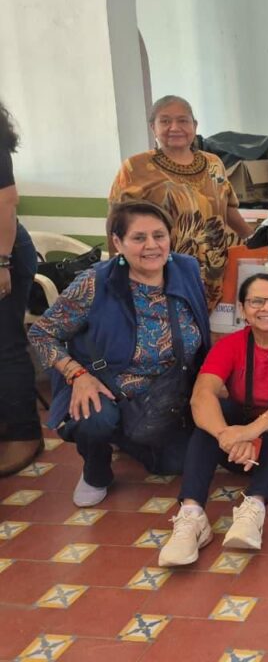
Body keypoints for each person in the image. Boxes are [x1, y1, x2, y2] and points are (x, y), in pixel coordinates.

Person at [28, 201, 210, 506]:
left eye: (159, 236)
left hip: (169, 392)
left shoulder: (187, 269)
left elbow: (201, 327)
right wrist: (78, 374)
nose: (151, 246)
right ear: (117, 242)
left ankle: (129, 436)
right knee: (94, 419)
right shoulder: (95, 282)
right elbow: (42, 333)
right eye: (139, 238)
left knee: (174, 464)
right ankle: (95, 469)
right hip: (108, 389)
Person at [158, 273, 268, 566]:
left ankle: (254, 507)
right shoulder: (230, 345)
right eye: (256, 302)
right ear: (242, 309)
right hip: (241, 452)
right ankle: (192, 515)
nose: (267, 308)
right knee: (213, 410)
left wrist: (250, 433)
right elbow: (201, 395)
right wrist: (226, 434)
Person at [109, 95, 253, 312]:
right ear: (153, 127)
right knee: (164, 327)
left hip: (211, 272)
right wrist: (117, 266)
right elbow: (115, 219)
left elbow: (228, 207)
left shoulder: (214, 163)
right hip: (156, 271)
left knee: (200, 327)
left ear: (194, 125)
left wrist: (254, 239)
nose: (174, 127)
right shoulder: (135, 167)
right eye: (165, 121)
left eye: (183, 120)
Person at [0, 100, 41, 476]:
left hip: (5, 252)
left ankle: (24, 433)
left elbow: (5, 203)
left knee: (6, 343)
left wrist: (2, 262)